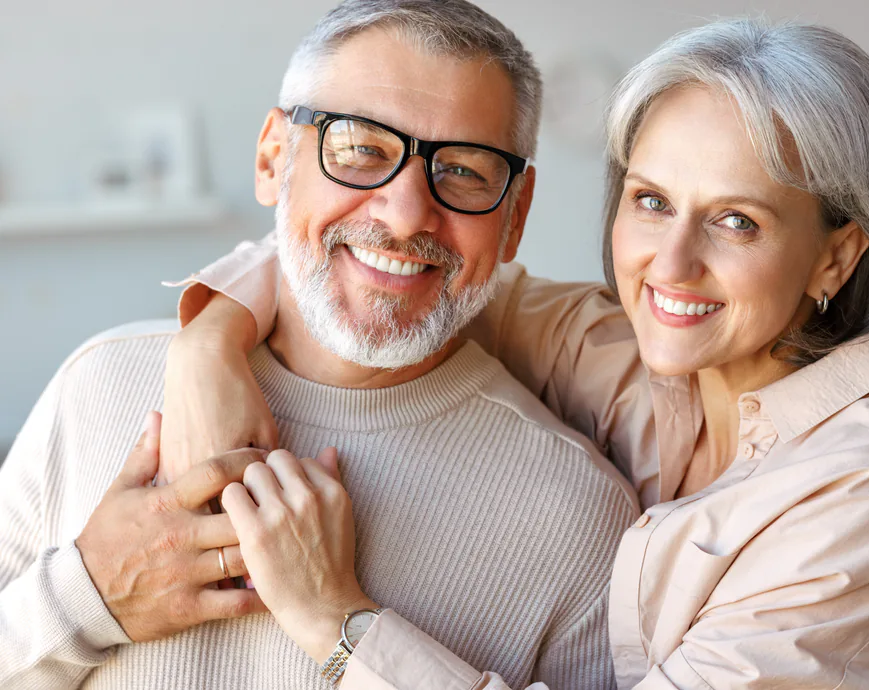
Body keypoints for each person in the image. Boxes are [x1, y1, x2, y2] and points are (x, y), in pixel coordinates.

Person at [163, 15, 869, 690]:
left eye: (737, 221)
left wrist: (337, 621)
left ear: (835, 257)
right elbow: (397, 263)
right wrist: (208, 343)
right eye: (651, 201)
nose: (670, 265)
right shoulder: (618, 350)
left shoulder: (866, 492)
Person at [0, 1, 639, 688]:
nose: (403, 216)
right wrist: (87, 596)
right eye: (361, 149)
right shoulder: (99, 384)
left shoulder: (580, 518)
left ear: (515, 215)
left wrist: (345, 628)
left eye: (462, 171)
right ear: (274, 159)